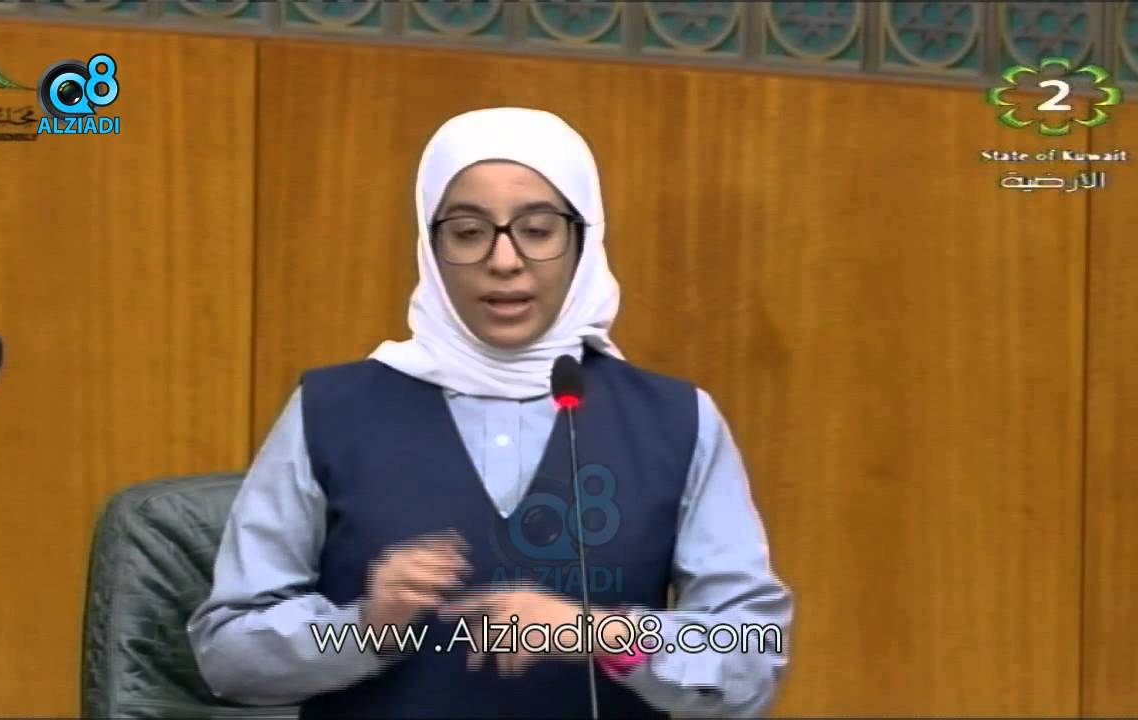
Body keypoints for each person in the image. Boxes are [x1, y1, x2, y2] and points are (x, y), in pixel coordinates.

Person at [186, 107, 793, 718]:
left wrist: (604, 635)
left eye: (538, 229)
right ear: (431, 245)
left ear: (582, 241)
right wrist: (366, 627)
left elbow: (754, 652)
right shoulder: (332, 411)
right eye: (469, 232)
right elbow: (227, 652)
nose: (504, 260)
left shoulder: (676, 421)